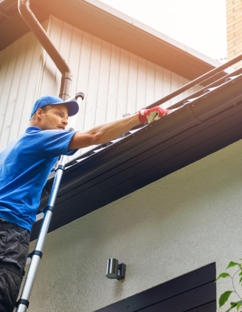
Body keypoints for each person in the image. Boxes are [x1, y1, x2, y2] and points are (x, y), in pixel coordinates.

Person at [0, 95, 168, 311]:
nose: (65, 121)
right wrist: (140, 116)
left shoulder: (9, 150)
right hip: (9, 230)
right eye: (59, 114)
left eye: (67, 117)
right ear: (39, 114)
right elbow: (94, 135)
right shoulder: (40, 140)